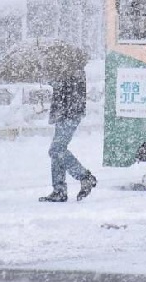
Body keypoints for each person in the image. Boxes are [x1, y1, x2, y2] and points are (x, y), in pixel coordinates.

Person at [39, 43, 96, 203]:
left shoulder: (72, 71)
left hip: (69, 114)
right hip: (65, 113)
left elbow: (63, 87)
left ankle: (84, 176)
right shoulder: (71, 69)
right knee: (58, 151)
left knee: (56, 150)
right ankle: (59, 190)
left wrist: (48, 78)